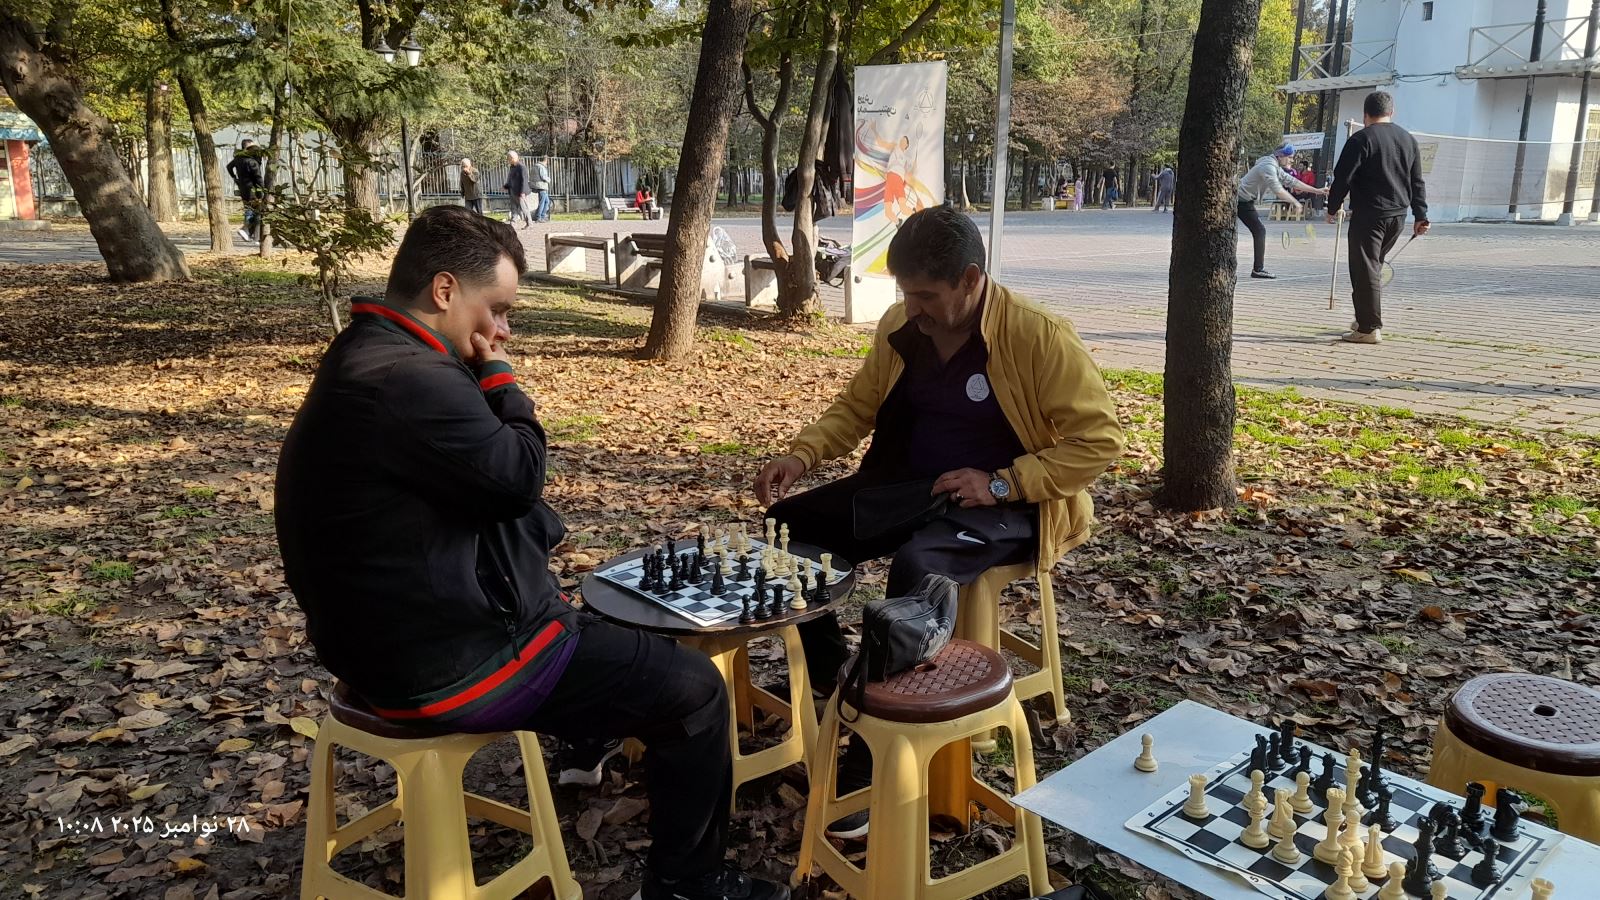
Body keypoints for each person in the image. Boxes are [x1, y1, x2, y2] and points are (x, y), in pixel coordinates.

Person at [275, 206, 789, 900]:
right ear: (445, 290)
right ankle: (686, 884)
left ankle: (587, 733)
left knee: (600, 625)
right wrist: (501, 378)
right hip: (448, 666)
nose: (502, 330)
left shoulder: (365, 352)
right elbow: (518, 476)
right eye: (497, 309)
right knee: (694, 691)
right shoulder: (412, 379)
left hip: (376, 647)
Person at [752, 205, 1124, 836]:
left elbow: (1100, 442)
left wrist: (1003, 482)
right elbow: (858, 407)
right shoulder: (902, 326)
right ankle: (838, 681)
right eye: (906, 293)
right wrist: (802, 454)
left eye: (926, 295)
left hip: (1012, 505)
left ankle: (873, 760)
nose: (912, 308)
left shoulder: (1038, 335)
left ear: (970, 279)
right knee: (790, 527)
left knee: (918, 566)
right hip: (911, 487)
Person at [1326, 90, 1430, 345]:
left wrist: (1332, 207)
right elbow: (1417, 180)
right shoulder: (1408, 139)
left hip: (1370, 215)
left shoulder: (1361, 139)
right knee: (1372, 268)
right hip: (1398, 216)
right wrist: (1421, 215)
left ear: (1365, 114)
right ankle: (1364, 317)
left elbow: (1343, 177)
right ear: (1391, 112)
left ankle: (1369, 328)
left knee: (1365, 270)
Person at [1236, 144, 1327, 279]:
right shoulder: (1268, 167)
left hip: (1243, 199)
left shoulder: (1274, 166)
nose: (1291, 160)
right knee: (1259, 230)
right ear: (1280, 156)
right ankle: (1258, 269)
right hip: (1241, 200)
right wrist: (1295, 202)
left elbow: (1292, 181)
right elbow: (1278, 190)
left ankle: (1258, 269)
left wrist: (1317, 191)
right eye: (1289, 157)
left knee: (1258, 230)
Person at [226, 139, 263, 242]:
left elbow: (229, 167)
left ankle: (254, 236)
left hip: (243, 187)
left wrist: (235, 178)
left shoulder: (238, 158)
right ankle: (246, 230)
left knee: (252, 209)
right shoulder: (252, 161)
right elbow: (258, 178)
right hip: (253, 189)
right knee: (252, 210)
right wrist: (262, 190)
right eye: (252, 147)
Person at [504, 151, 531, 228]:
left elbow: (524, 180)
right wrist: (505, 186)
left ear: (512, 158)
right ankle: (513, 224)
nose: (508, 160)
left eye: (508, 159)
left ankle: (529, 223)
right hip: (512, 191)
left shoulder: (521, 167)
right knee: (513, 208)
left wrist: (522, 192)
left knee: (524, 208)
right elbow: (511, 179)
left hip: (520, 192)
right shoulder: (512, 167)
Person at [532, 155, 553, 223]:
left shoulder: (536, 166)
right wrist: (549, 179)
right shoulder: (541, 167)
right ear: (546, 160)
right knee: (542, 202)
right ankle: (538, 217)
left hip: (538, 186)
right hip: (542, 187)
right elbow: (543, 177)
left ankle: (543, 216)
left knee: (547, 201)